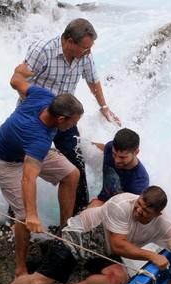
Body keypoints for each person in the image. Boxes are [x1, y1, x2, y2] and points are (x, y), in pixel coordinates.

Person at [0, 63, 83, 278]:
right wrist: (32, 215)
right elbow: (28, 179)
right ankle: (20, 267)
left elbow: (15, 82)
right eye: (73, 122)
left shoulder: (43, 95)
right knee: (21, 215)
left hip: (26, 150)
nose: (74, 126)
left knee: (71, 174)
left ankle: (63, 230)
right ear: (61, 119)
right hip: (3, 160)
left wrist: (20, 71)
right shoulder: (37, 138)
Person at [45, 186, 171, 284]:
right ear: (139, 197)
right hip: (80, 235)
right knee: (38, 283)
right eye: (139, 204)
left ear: (157, 215)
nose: (138, 210)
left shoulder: (164, 225)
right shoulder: (122, 203)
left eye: (145, 211)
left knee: (118, 279)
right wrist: (152, 256)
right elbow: (118, 246)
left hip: (105, 249)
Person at [23, 18, 121, 213]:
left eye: (90, 47)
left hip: (66, 119)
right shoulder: (42, 50)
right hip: (36, 118)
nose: (89, 52)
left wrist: (104, 107)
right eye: (85, 48)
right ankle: (18, 215)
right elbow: (21, 82)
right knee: (26, 165)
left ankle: (79, 214)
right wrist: (36, 107)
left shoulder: (84, 55)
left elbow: (93, 80)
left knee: (77, 164)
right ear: (69, 41)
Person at [89, 127, 149, 207]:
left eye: (122, 157)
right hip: (100, 195)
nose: (116, 160)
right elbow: (96, 147)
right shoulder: (110, 147)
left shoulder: (139, 182)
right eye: (114, 154)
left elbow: (129, 211)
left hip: (114, 208)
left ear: (136, 152)